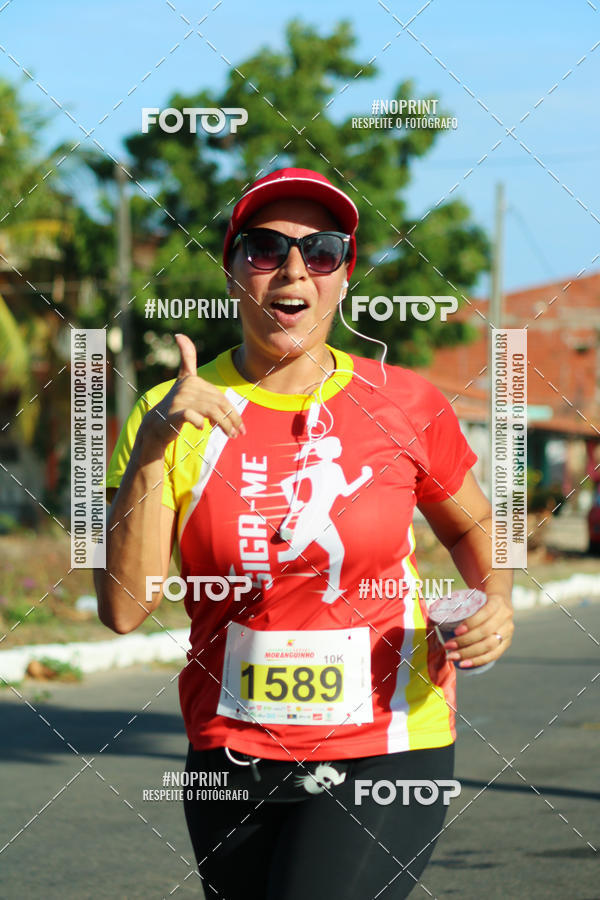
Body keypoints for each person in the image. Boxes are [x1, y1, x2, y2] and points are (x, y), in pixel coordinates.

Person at [95, 167, 514, 900]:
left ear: (344, 276)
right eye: (264, 249)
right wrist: (154, 448)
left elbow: (478, 524)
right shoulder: (171, 415)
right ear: (232, 273)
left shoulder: (405, 403)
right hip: (231, 749)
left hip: (387, 743)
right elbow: (125, 606)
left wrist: (496, 599)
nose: (293, 270)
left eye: (321, 251)